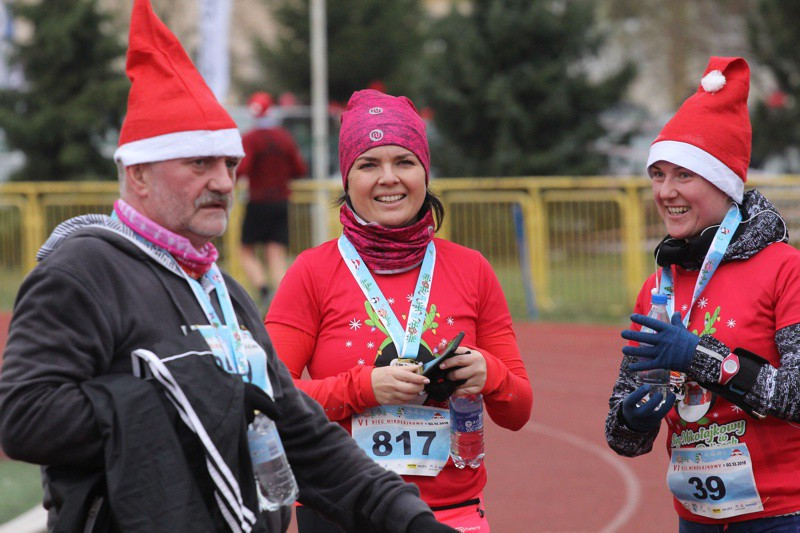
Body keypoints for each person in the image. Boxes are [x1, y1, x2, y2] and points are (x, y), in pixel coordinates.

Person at [0, 3, 457, 532]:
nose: (222, 181)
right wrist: (181, 392)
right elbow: (24, 419)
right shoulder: (84, 271)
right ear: (140, 174)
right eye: (199, 163)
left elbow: (299, 433)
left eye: (228, 164)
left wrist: (409, 520)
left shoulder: (223, 291)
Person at [265, 89, 533, 532]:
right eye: (369, 164)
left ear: (425, 173)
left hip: (451, 517)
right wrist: (364, 387)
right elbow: (271, 400)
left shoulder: (471, 269)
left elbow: (518, 410)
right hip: (340, 513)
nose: (388, 178)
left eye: (404, 162)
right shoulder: (312, 272)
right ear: (346, 179)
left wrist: (491, 374)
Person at [605, 56, 800, 531]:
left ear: (724, 183)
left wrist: (700, 358)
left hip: (783, 515)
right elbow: (623, 440)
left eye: (684, 175)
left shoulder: (785, 269)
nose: (665, 191)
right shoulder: (658, 287)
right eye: (658, 174)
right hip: (696, 519)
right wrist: (633, 418)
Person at [238, 92, 307, 307]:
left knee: (245, 249)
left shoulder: (250, 138)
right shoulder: (284, 137)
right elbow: (299, 169)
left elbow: (243, 168)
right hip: (281, 201)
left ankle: (262, 287)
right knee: (276, 252)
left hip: (257, 201)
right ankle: (282, 298)